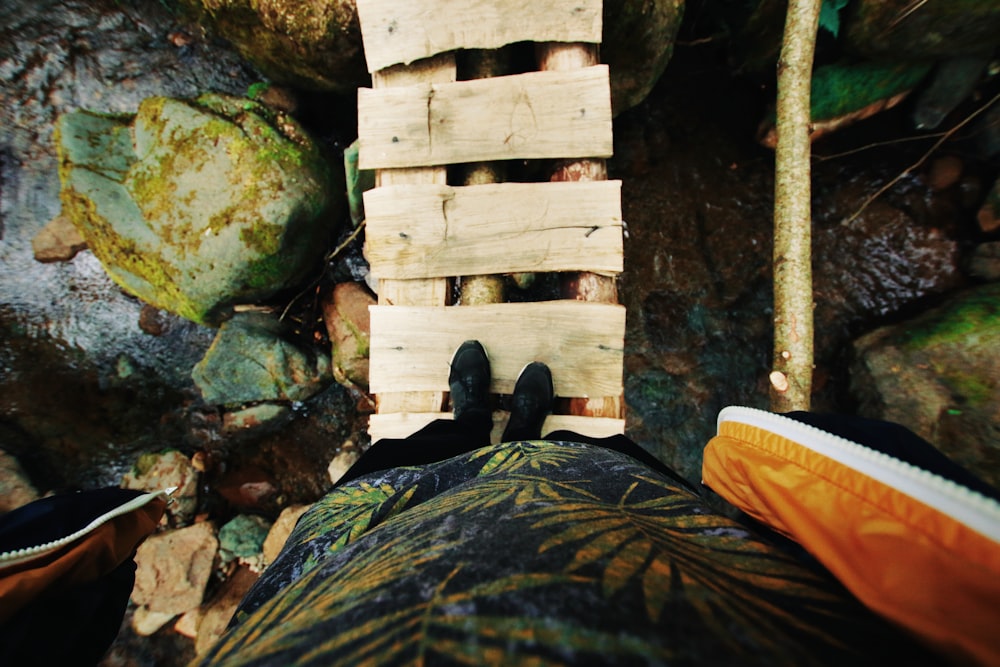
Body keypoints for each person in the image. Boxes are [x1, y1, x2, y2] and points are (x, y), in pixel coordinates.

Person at [194, 341, 947, 666]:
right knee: (582, 473)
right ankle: (518, 434)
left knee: (393, 472)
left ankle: (469, 427)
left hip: (333, 606)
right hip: (677, 569)